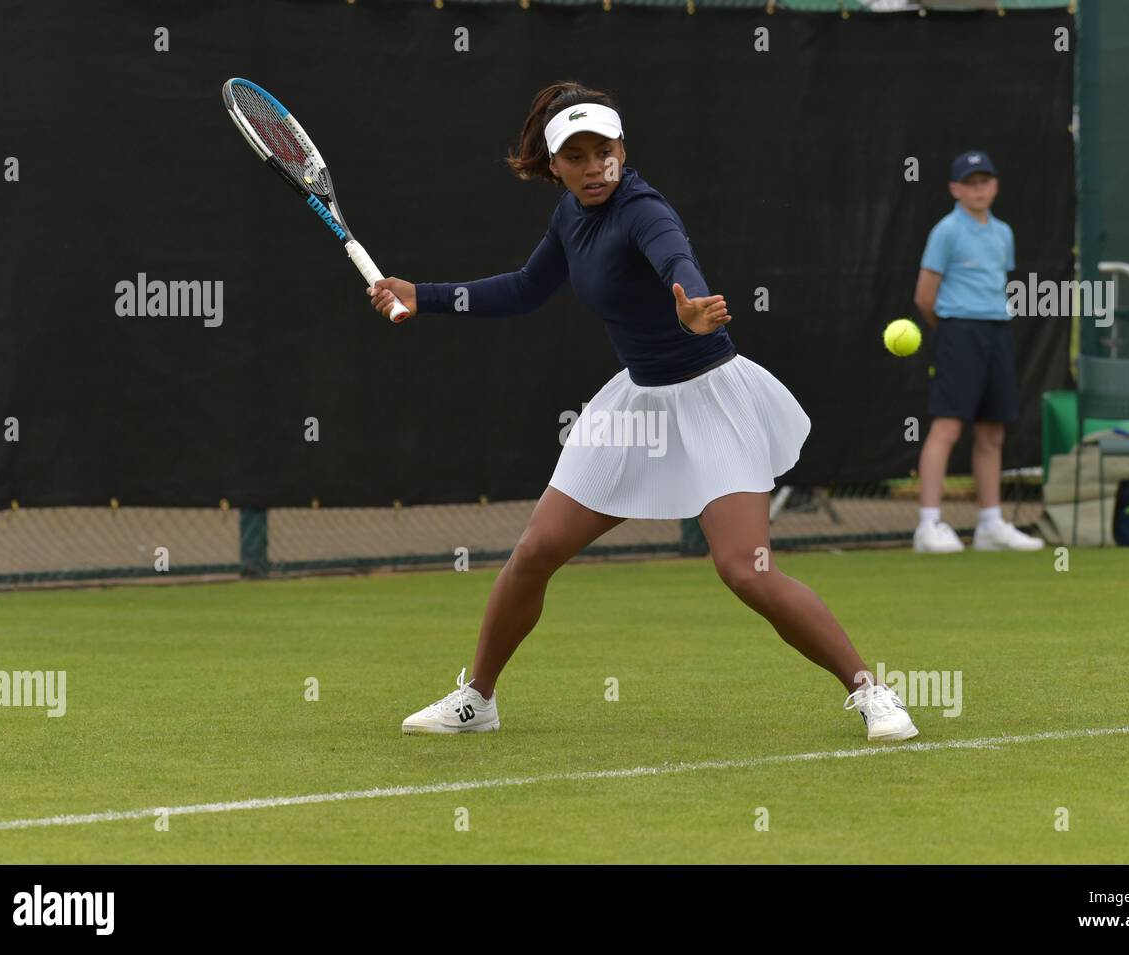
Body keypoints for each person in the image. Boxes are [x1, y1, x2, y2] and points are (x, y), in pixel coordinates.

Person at [369, 81, 917, 741]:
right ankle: (478, 699)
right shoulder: (570, 217)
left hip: (711, 395)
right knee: (536, 551)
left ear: (623, 149)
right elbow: (523, 289)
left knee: (745, 570)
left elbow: (676, 259)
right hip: (637, 404)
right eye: (578, 156)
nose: (595, 165)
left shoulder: (644, 210)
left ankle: (872, 692)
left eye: (606, 150)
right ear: (555, 167)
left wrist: (688, 306)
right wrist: (422, 296)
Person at [911, 151, 1044, 554]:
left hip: (997, 331)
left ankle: (990, 524)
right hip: (958, 332)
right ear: (955, 189)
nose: (978, 189)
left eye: (985, 181)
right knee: (947, 427)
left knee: (992, 431)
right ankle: (928, 525)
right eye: (969, 182)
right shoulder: (946, 231)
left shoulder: (1003, 233)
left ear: (996, 186)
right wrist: (952, 332)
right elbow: (924, 297)